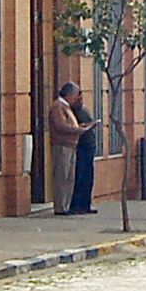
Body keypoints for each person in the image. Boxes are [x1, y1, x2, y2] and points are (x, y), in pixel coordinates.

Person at [49, 81, 98, 216]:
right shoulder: (58, 106)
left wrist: (80, 127)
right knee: (62, 176)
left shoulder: (66, 107)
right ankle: (60, 207)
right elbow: (61, 125)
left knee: (69, 177)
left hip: (71, 145)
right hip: (62, 145)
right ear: (69, 95)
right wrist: (78, 129)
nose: (77, 98)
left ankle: (66, 205)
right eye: (76, 95)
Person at [70, 92, 100, 215]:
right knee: (79, 176)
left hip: (89, 145)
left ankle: (86, 204)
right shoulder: (71, 112)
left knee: (88, 177)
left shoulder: (84, 110)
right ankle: (76, 205)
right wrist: (83, 126)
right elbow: (72, 127)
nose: (81, 101)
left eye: (81, 99)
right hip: (80, 146)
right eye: (78, 99)